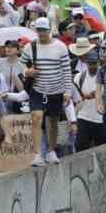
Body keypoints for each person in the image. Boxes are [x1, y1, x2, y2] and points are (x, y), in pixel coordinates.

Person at [24, 18, 70, 165]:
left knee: (53, 122)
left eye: (44, 30)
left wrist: (67, 90)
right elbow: (21, 65)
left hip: (56, 89)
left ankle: (50, 151)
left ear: (49, 30)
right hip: (38, 89)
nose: (42, 33)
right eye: (39, 30)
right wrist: (27, 71)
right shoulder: (29, 47)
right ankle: (37, 154)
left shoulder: (60, 47)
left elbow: (66, 70)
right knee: (36, 118)